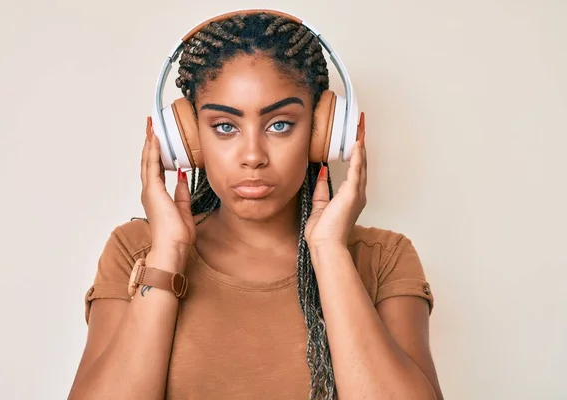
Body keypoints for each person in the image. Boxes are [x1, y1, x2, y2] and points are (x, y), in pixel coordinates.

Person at [68, 10, 443, 400]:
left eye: (279, 124)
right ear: (187, 141)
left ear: (325, 133)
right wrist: (169, 253)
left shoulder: (383, 258)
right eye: (225, 126)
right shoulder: (136, 251)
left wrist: (329, 251)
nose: (253, 156)